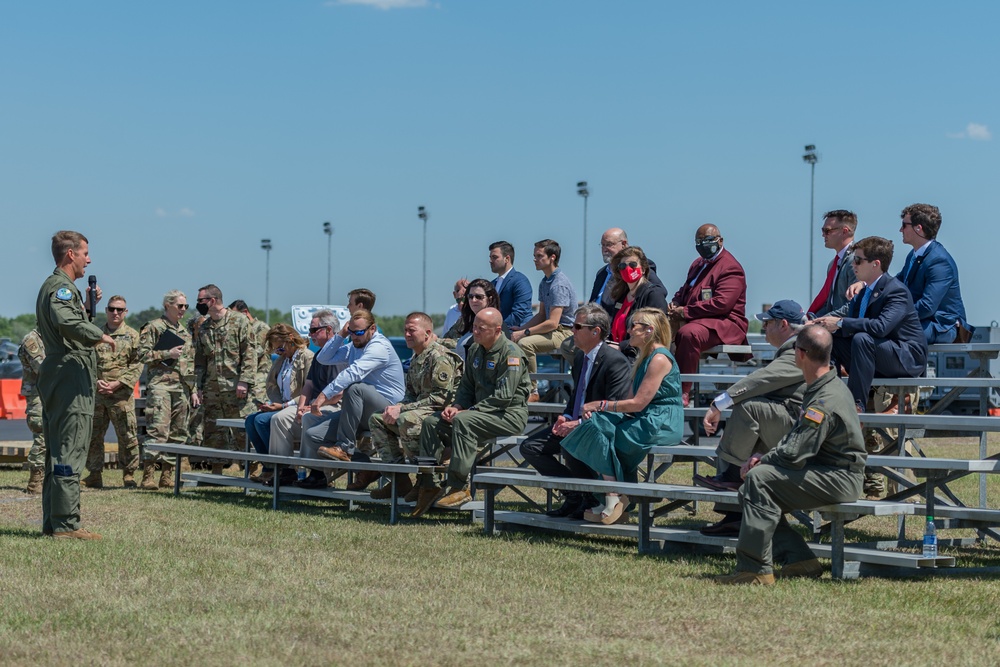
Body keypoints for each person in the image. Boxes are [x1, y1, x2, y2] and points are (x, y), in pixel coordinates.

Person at [715, 326, 866, 586]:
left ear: (800, 354)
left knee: (758, 480)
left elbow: (797, 451)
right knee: (749, 490)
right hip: (831, 471)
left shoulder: (823, 399)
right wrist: (765, 454)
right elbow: (797, 439)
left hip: (840, 477)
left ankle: (755, 569)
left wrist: (763, 460)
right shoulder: (823, 386)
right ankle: (799, 559)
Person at [694, 300, 807, 536]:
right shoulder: (797, 346)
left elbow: (763, 378)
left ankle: (732, 477)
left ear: (784, 324)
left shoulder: (799, 348)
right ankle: (735, 514)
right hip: (790, 422)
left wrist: (720, 402)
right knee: (750, 419)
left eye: (767, 323)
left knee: (749, 409)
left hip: (800, 430)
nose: (763, 328)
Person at [561, 308, 683, 525]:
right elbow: (629, 400)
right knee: (595, 425)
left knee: (602, 432)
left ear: (649, 330)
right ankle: (614, 496)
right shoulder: (644, 357)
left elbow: (638, 403)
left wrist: (600, 404)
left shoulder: (660, 358)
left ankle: (613, 495)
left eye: (633, 325)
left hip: (660, 421)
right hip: (645, 418)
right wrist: (599, 412)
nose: (628, 330)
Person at [412, 308, 532, 516]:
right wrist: (457, 406)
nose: (475, 331)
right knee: (432, 422)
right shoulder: (476, 349)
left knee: (464, 422)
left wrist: (468, 411)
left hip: (508, 415)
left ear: (496, 330)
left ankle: (459, 487)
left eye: (480, 328)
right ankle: (427, 483)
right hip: (478, 413)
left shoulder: (511, 353)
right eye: (474, 326)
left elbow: (504, 396)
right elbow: (466, 387)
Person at [35, 230, 115, 540]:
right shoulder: (61, 289)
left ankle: (53, 523)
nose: (88, 259)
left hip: (63, 373)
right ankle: (66, 526)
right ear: (71, 255)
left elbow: (66, 319)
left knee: (58, 450)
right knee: (70, 448)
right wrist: (99, 334)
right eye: (84, 253)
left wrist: (85, 308)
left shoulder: (61, 288)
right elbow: (66, 322)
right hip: (69, 375)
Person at [519, 303, 632, 518]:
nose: (572, 331)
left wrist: (578, 425)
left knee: (571, 443)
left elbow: (614, 407)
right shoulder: (580, 357)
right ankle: (575, 495)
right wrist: (566, 416)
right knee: (530, 447)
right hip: (578, 424)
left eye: (578, 327)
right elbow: (577, 395)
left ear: (595, 331)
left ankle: (590, 498)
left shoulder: (615, 361)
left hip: (599, 428)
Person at [812, 236, 927, 412]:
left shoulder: (896, 291)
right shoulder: (863, 292)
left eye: (858, 260)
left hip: (906, 358)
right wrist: (822, 327)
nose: (853, 264)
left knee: (862, 339)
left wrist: (841, 322)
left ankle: (855, 406)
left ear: (876, 263)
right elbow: (852, 329)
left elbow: (880, 327)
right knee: (828, 340)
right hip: (875, 354)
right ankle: (827, 397)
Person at [299, 309, 405, 490]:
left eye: (359, 332)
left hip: (388, 409)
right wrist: (341, 334)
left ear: (373, 328)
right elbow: (324, 357)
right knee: (312, 436)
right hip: (362, 410)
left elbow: (353, 372)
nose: (355, 337)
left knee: (356, 387)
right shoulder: (354, 345)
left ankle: (344, 447)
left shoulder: (379, 346)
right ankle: (366, 466)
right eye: (352, 332)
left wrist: (323, 397)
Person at [368, 312, 463, 500]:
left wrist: (402, 410)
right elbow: (410, 395)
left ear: (428, 333)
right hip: (423, 410)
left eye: (412, 330)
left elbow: (441, 399)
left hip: (443, 415)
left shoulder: (440, 357)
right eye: (405, 330)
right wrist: (396, 407)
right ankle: (398, 480)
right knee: (377, 419)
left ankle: (426, 480)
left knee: (407, 419)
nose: (407, 334)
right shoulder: (416, 359)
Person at [667, 224, 749, 406]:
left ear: (720, 240)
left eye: (708, 240)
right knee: (658, 325)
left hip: (725, 322)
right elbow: (684, 290)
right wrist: (676, 303)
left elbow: (722, 304)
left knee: (689, 334)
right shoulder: (697, 264)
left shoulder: (730, 267)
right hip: (699, 319)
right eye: (699, 241)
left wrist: (686, 311)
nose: (703, 244)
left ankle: (682, 392)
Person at [263, 309, 342, 485]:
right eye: (310, 330)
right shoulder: (321, 354)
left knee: (309, 416)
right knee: (279, 419)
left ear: (329, 330)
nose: (310, 334)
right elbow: (309, 385)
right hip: (316, 404)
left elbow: (338, 394)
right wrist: (300, 407)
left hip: (336, 406)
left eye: (314, 330)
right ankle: (284, 470)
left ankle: (316, 472)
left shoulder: (339, 353)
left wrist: (312, 406)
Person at [193, 284, 257, 474]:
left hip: (235, 387)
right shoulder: (204, 327)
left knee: (242, 431)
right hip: (212, 389)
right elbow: (200, 360)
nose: (198, 304)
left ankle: (253, 468)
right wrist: (198, 387)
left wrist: (244, 380)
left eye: (200, 301)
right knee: (213, 431)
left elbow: (250, 353)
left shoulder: (239, 321)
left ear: (212, 301)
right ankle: (216, 471)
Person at [137, 289, 196, 490]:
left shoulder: (185, 332)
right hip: (161, 385)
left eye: (185, 306)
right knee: (157, 430)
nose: (183, 310)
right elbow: (142, 355)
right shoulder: (154, 327)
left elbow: (189, 363)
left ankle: (167, 475)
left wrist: (193, 389)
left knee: (178, 432)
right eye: (179, 306)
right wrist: (166, 353)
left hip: (181, 388)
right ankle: (148, 476)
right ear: (167, 305)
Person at [82, 295, 142, 489]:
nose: (115, 313)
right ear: (106, 310)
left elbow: (138, 364)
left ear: (125, 312)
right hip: (98, 394)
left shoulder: (133, 336)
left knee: (127, 436)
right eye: (111, 309)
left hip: (121, 396)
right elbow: (87, 362)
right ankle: (94, 474)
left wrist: (118, 383)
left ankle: (129, 475)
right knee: (93, 436)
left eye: (119, 310)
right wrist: (95, 381)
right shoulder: (96, 335)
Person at [244, 323, 314, 485]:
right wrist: (274, 403)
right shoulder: (282, 361)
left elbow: (310, 391)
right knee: (250, 420)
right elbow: (273, 386)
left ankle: (284, 468)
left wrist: (284, 405)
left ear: (290, 339)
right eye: (276, 350)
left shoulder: (307, 357)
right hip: (282, 406)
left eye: (280, 349)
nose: (279, 353)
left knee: (261, 421)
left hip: (298, 407)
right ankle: (269, 467)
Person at [511, 239, 578, 400]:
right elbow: (542, 315)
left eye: (539, 255)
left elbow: (553, 322)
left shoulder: (558, 284)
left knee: (525, 343)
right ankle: (517, 389)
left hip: (565, 332)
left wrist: (524, 333)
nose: (534, 259)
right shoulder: (545, 282)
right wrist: (520, 329)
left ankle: (533, 391)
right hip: (554, 330)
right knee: (514, 341)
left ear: (552, 257)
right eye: (534, 255)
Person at [896, 203, 968, 344]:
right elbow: (896, 282)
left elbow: (927, 306)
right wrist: (866, 285)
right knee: (875, 328)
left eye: (904, 225)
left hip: (943, 325)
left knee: (890, 329)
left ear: (918, 228)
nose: (900, 230)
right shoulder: (914, 255)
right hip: (924, 321)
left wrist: (893, 316)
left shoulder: (939, 261)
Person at [602, 245, 669, 358]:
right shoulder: (620, 296)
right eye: (622, 266)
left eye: (633, 264)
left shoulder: (654, 294)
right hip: (617, 354)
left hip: (638, 356)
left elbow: (655, 334)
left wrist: (621, 347)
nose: (627, 269)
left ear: (643, 269)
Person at [589, 228, 666, 312]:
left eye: (609, 244)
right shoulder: (601, 273)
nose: (604, 249)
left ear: (623, 244)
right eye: (603, 245)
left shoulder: (637, 266)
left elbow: (659, 291)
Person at [442, 278, 508, 360]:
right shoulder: (465, 322)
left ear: (490, 299)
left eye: (478, 297)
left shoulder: (496, 325)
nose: (473, 300)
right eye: (470, 296)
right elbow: (445, 339)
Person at [808, 210, 858, 317]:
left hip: (846, 329)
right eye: (823, 230)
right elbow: (829, 303)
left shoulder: (856, 261)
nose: (823, 235)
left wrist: (824, 320)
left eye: (827, 231)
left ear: (845, 231)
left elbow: (854, 304)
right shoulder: (833, 264)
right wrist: (812, 320)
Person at [19, 329, 46, 495]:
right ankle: (35, 481)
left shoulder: (55, 337)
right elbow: (43, 368)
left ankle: (48, 478)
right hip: (38, 395)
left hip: (53, 394)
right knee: (41, 434)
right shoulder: (32, 340)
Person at [230, 299, 271, 404]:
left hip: (259, 376)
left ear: (244, 312)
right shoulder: (239, 330)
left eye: (235, 315)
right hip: (244, 375)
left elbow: (256, 352)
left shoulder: (261, 328)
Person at [489, 240, 533, 328]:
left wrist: (499, 329)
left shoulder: (520, 281)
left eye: (494, 257)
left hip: (516, 331)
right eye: (490, 257)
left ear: (507, 259)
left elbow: (519, 313)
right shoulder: (492, 284)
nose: (490, 261)